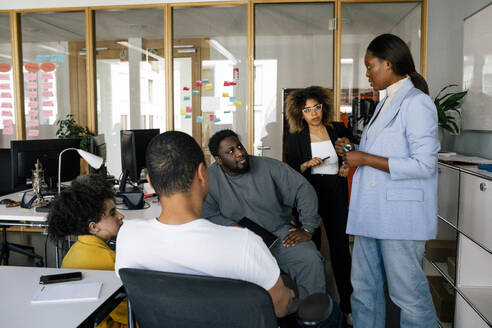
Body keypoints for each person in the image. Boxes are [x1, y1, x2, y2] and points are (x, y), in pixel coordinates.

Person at [115, 131, 295, 318]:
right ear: (202, 174)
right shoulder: (244, 244)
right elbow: (280, 308)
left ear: (150, 183)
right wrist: (290, 293)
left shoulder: (128, 236)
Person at [335, 33, 439, 327]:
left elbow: (424, 164)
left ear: (389, 64)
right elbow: (384, 152)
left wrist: (365, 159)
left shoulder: (416, 103)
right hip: (372, 214)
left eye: (370, 66)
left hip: (400, 218)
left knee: (409, 296)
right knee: (364, 291)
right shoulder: (384, 102)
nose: (366, 73)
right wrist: (354, 152)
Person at [203, 129, 326, 300]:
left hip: (278, 235)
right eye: (230, 151)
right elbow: (208, 215)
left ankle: (314, 319)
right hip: (237, 242)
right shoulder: (209, 178)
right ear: (218, 160)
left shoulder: (269, 167)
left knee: (310, 259)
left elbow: (303, 190)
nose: (239, 153)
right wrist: (233, 227)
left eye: (239, 146)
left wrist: (307, 228)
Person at [285, 86, 353, 323]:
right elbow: (291, 170)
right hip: (309, 192)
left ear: (323, 107)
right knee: (311, 251)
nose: (313, 113)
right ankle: (313, 305)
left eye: (317, 107)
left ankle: (347, 305)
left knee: (341, 249)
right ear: (300, 114)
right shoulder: (296, 137)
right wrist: (306, 164)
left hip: (335, 191)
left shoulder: (338, 128)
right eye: (307, 110)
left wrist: (346, 164)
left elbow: (350, 151)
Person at [47, 174, 127, 328]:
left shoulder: (72, 252)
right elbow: (129, 315)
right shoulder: (110, 260)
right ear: (94, 227)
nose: (120, 216)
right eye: (112, 213)